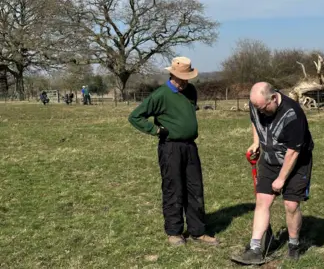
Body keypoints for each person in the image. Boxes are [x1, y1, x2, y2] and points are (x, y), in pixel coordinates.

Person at [128, 56, 219, 247]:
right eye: (180, 78)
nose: (183, 82)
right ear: (172, 74)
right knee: (173, 188)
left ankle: (198, 231)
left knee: (195, 188)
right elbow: (135, 116)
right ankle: (174, 232)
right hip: (170, 148)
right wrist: (156, 130)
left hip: (190, 147)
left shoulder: (191, 91)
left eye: (186, 78)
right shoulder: (160, 95)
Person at [233, 82, 314, 264]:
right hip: (270, 159)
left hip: (296, 161)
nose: (260, 112)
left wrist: (281, 178)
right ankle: (255, 248)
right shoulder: (257, 105)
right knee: (263, 200)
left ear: (273, 98)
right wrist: (256, 142)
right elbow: (255, 120)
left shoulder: (293, 114)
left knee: (291, 205)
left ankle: (294, 245)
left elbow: (293, 152)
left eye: (263, 108)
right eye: (257, 108)